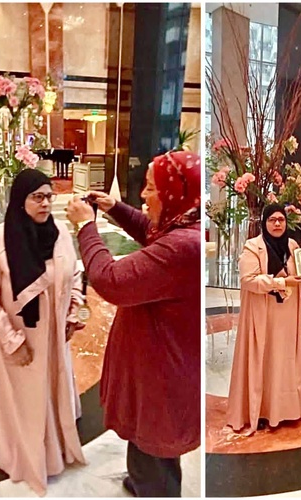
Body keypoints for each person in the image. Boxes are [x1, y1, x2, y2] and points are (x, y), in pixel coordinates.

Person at [66, 151, 201, 497]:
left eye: (151, 188)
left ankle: (152, 489)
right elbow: (151, 230)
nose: (143, 195)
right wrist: (115, 207)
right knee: (146, 440)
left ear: (174, 194)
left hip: (164, 375)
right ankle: (142, 482)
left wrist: (86, 227)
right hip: (156, 366)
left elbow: (110, 280)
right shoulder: (181, 224)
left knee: (157, 445)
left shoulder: (184, 246)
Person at [0, 169, 86, 496]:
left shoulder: (59, 233)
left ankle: (57, 451)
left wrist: (73, 313)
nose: (45, 203)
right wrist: (12, 341)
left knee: (52, 391)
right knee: (25, 403)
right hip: (19, 339)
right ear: (20, 201)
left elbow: (75, 274)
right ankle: (30, 461)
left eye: (49, 196)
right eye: (37, 197)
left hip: (54, 337)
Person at [226, 204, 301, 433]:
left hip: (286, 315)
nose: (277, 223)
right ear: (264, 222)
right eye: (272, 220)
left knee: (282, 360)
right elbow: (248, 280)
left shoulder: (292, 246)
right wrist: (281, 282)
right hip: (262, 315)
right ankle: (258, 410)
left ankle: (283, 410)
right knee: (261, 358)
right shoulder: (253, 247)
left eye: (281, 219)